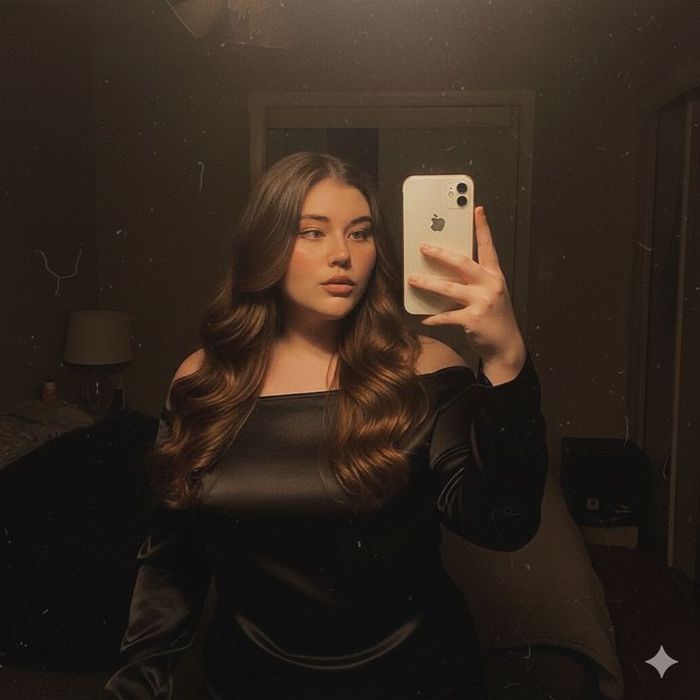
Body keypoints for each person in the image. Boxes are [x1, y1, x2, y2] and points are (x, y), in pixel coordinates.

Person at [104, 152, 548, 699]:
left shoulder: (427, 370)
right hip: (249, 684)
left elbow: (502, 524)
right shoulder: (203, 382)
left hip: (417, 681)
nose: (343, 254)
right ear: (266, 245)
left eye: (360, 233)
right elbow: (171, 562)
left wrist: (505, 359)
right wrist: (135, 686)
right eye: (313, 232)